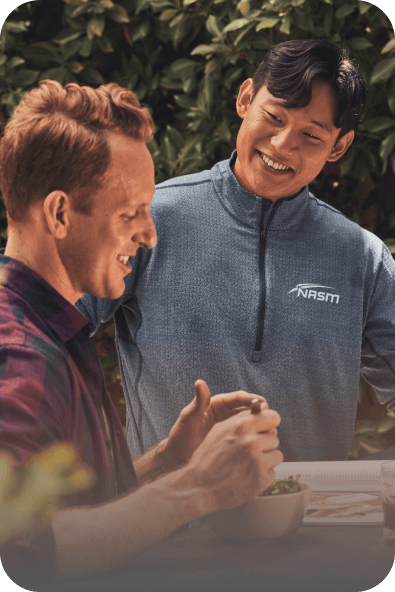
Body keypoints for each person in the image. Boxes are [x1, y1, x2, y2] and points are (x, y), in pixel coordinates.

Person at [0, 80, 283, 586]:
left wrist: (171, 460)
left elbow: (70, 508)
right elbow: (19, 548)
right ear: (60, 214)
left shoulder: (51, 328)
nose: (150, 234)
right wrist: (198, 488)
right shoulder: (19, 356)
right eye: (130, 212)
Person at [76, 39, 395, 463]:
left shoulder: (362, 257)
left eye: (311, 135)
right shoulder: (149, 220)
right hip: (168, 518)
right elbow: (45, 335)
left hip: (312, 520)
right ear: (246, 98)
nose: (282, 144)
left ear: (338, 146)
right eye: (274, 116)